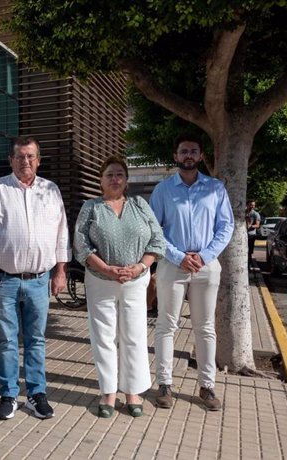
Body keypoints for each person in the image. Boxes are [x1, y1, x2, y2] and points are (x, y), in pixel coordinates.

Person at [0, 136, 71, 420]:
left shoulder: (50, 190)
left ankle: (37, 394)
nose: (25, 161)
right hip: (5, 280)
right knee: (6, 341)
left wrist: (61, 270)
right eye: (19, 156)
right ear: (11, 160)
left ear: (38, 160)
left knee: (36, 340)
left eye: (30, 156)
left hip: (40, 279)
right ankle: (8, 395)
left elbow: (61, 232)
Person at [74, 156, 165, 418]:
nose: (115, 179)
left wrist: (140, 266)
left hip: (135, 282)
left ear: (126, 180)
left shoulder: (139, 205)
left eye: (119, 175)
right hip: (100, 280)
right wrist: (105, 268)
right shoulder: (91, 207)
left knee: (133, 336)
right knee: (103, 337)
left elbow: (157, 240)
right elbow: (80, 244)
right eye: (110, 175)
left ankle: (133, 392)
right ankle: (108, 392)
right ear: (101, 180)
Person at [149, 134, 234, 411]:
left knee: (205, 327)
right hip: (173, 265)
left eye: (193, 151)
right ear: (175, 156)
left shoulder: (215, 189)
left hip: (206, 266)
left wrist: (205, 255)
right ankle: (164, 384)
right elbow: (154, 230)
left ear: (200, 156)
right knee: (166, 325)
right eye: (183, 151)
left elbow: (226, 227)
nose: (188, 155)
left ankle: (207, 386)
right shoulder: (163, 190)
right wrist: (178, 256)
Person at [246, 200, 261, 268]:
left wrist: (251, 226)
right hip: (242, 235)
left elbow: (257, 225)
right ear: (247, 205)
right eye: (251, 205)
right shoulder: (243, 213)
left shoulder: (256, 214)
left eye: (253, 205)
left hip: (251, 235)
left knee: (249, 251)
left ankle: (248, 265)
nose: (252, 206)